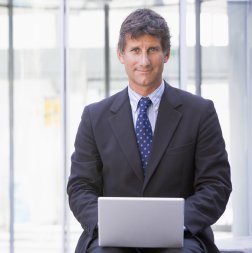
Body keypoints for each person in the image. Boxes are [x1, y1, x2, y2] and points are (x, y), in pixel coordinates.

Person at [67, 8, 232, 253]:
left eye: (152, 50)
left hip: (181, 236)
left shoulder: (200, 112)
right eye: (135, 50)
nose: (144, 61)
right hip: (112, 239)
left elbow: (216, 185)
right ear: (121, 54)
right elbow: (80, 186)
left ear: (166, 54)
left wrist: (178, 224)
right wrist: (103, 224)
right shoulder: (94, 117)